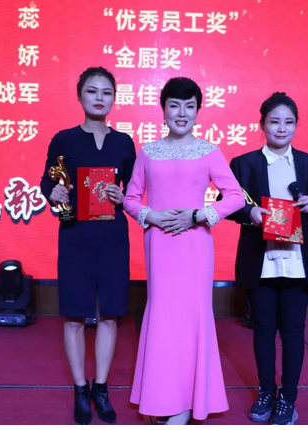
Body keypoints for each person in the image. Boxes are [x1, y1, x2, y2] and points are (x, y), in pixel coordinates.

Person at [123, 77, 245, 425]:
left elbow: (235, 196)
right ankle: (162, 399)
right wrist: (152, 216)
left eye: (189, 106)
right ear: (163, 110)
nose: (181, 113)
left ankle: (188, 404)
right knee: (163, 318)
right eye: (174, 105)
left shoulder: (209, 151)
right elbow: (131, 198)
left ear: (197, 111)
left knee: (192, 319)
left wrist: (198, 215)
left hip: (194, 246)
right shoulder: (148, 152)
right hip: (160, 245)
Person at [225, 92, 308, 425]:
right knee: (262, 331)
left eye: (288, 122)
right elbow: (228, 203)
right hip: (261, 260)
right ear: (262, 124)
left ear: (296, 125)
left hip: (298, 260)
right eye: (274, 122)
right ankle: (266, 392)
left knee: (293, 333)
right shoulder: (244, 164)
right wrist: (249, 213)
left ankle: (288, 397)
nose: (281, 128)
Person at [39, 66, 136, 425]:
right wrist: (54, 194)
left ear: (114, 99)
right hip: (75, 235)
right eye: (93, 91)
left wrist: (123, 197)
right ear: (80, 95)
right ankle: (80, 388)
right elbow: (48, 182)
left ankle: (101, 387)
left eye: (107, 92)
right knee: (75, 315)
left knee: (109, 314)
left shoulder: (124, 143)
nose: (99, 98)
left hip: (113, 238)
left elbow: (135, 191)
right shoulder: (64, 140)